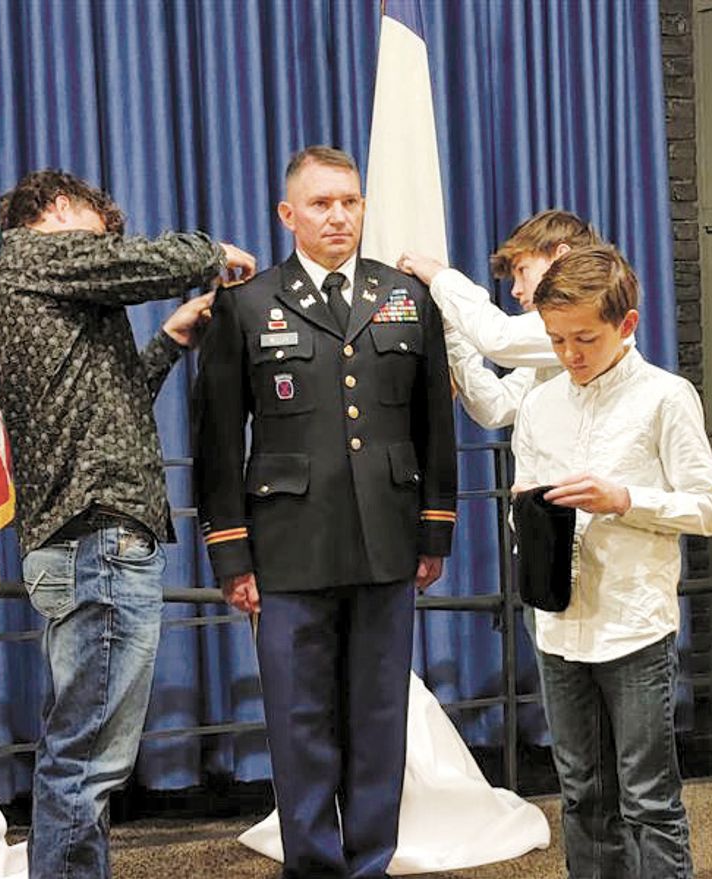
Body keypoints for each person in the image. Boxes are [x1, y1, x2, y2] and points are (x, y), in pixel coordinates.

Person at [0, 168, 256, 879]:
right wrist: (210, 254)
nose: (107, 248)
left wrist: (166, 339)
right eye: (101, 232)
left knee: (76, 752)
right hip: (98, 540)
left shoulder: (27, 290)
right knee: (86, 761)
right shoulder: (38, 257)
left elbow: (107, 410)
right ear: (61, 209)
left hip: (78, 537)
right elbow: (137, 264)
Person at [192, 145, 457, 879]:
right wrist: (231, 556)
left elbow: (435, 425)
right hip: (287, 550)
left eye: (349, 200)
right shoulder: (245, 305)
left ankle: (370, 862)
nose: (338, 215)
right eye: (320, 203)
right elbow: (217, 442)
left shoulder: (405, 297)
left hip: (386, 543)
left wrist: (434, 530)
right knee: (300, 724)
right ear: (288, 214)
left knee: (378, 724)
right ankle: (311, 865)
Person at [511, 245, 712, 879]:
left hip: (634, 626)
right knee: (581, 797)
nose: (570, 355)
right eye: (556, 340)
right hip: (558, 627)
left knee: (649, 800)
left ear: (627, 325)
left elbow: (710, 508)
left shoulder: (666, 397)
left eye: (585, 337)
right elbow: (521, 505)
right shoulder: (537, 405)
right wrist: (531, 520)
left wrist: (625, 500)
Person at [398, 209, 600, 428]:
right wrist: (452, 330)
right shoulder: (548, 349)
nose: (515, 291)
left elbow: (498, 339)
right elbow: (494, 408)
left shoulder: (588, 318)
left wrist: (438, 275)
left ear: (561, 258)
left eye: (523, 271)